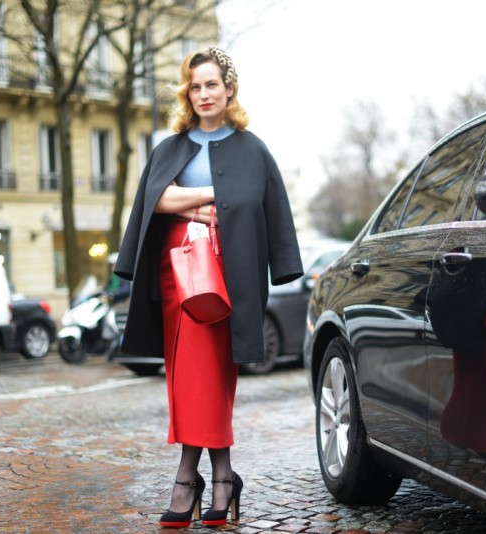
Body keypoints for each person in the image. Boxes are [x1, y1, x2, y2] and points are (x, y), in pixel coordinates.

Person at [114, 46, 303, 528]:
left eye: (211, 84)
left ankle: (191, 479)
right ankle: (220, 478)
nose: (203, 94)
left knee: (213, 373)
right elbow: (154, 200)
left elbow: (268, 205)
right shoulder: (170, 148)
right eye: (195, 86)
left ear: (229, 89)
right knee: (187, 374)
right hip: (177, 271)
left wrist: (188, 200)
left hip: (229, 272)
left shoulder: (253, 149)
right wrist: (209, 198)